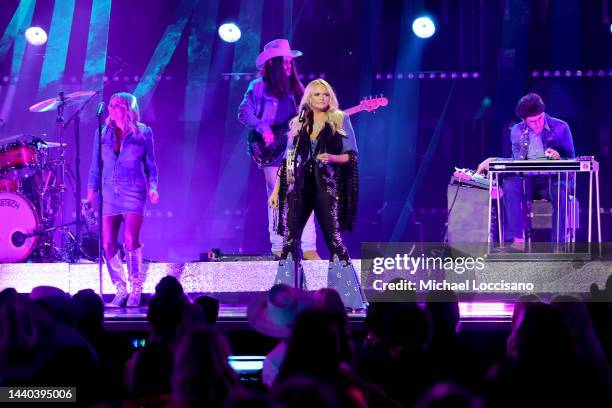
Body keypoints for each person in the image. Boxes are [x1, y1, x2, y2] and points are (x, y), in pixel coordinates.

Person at [268, 79, 365, 309]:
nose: (322, 98)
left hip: (325, 185)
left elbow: (351, 156)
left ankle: (346, 299)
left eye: (326, 95)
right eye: (318, 95)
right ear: (309, 99)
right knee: (290, 241)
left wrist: (331, 157)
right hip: (299, 186)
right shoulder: (298, 122)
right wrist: (276, 190)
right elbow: (288, 160)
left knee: (334, 239)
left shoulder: (340, 118)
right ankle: (287, 299)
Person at [238, 39, 320, 260]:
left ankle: (309, 247)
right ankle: (279, 246)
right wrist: (262, 127)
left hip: (295, 149)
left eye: (289, 62)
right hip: (270, 150)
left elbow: (310, 115)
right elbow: (244, 112)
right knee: (277, 195)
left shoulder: (297, 89)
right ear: (272, 64)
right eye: (284, 62)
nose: (288, 66)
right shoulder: (257, 87)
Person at [86, 92, 159, 307]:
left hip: (134, 191)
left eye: (116, 104)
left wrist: (154, 188)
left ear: (127, 108)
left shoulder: (143, 132)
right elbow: (94, 168)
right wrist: (90, 196)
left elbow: (151, 166)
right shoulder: (101, 133)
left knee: (129, 240)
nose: (111, 108)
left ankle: (136, 287)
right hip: (109, 193)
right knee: (108, 244)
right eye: (110, 104)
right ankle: (120, 289)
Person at [477, 93, 575, 249]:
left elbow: (572, 160)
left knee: (561, 190)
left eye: (539, 119)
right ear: (524, 120)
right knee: (510, 184)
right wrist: (493, 160)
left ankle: (558, 245)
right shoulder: (516, 131)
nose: (537, 124)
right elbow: (516, 162)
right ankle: (518, 241)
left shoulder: (561, 127)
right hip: (528, 180)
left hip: (552, 180)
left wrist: (559, 157)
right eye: (532, 122)